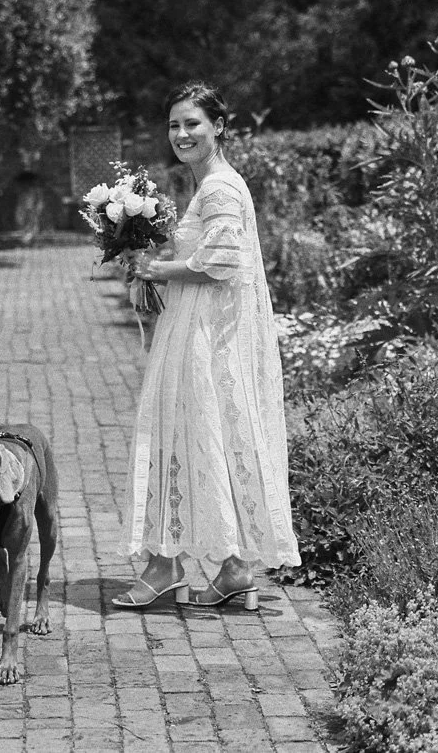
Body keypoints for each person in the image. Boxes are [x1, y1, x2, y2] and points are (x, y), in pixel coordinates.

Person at [113, 81, 301, 609]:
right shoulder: (210, 186)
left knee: (183, 435)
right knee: (199, 439)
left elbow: (220, 264)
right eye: (174, 124)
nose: (181, 134)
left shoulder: (220, 187)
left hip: (204, 339)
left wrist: (155, 267)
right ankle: (225, 568)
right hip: (195, 328)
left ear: (219, 126)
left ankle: (168, 564)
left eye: (192, 123)